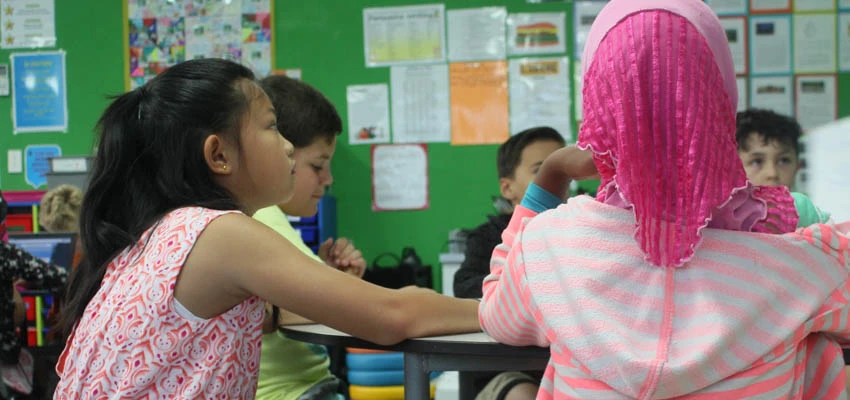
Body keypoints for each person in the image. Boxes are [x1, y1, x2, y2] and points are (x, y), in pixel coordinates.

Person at [479, 1, 850, 398]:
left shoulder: (548, 247)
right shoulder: (800, 262)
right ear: (720, 99)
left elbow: (496, 315)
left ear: (600, 104)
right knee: (816, 350)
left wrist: (551, 175)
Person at [54, 58, 481, 398]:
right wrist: (505, 310)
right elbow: (393, 316)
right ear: (218, 155)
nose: (289, 144)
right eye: (272, 125)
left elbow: (270, 315)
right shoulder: (219, 232)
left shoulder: (157, 234)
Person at [253, 75, 366, 400]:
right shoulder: (261, 217)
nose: (328, 179)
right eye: (318, 166)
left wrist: (327, 274)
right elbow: (331, 305)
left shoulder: (266, 218)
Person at [453, 127, 563, 400]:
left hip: (564, 367)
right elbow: (465, 286)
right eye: (541, 170)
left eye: (564, 170)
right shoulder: (487, 237)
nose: (559, 180)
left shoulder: (575, 231)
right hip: (504, 370)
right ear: (507, 188)